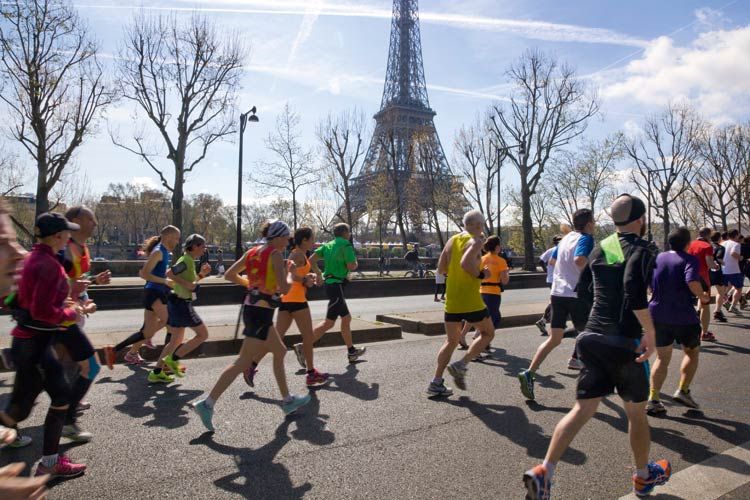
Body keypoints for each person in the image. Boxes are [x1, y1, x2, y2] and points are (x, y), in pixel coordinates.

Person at [523, 194, 670, 499]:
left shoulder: (603, 246)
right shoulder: (643, 248)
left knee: (583, 408)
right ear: (641, 220)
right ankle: (643, 478)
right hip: (623, 342)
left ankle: (544, 472)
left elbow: (585, 288)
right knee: (636, 413)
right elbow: (632, 289)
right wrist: (650, 330)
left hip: (591, 337)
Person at [191, 221, 311, 431]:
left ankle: (287, 400)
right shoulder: (274, 254)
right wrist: (291, 272)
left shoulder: (253, 251)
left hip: (253, 309)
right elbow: (283, 288)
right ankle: (207, 403)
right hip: (261, 312)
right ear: (277, 237)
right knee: (242, 362)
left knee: (280, 350)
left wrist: (253, 286)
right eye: (286, 237)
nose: (288, 241)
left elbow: (229, 274)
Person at [0, 212, 87, 478]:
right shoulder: (48, 264)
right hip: (37, 344)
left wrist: (66, 302)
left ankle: (42, 455)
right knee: (60, 397)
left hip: (27, 341)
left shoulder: (34, 258)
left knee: (20, 407)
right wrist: (73, 312)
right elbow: (43, 311)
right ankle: (50, 463)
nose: (69, 237)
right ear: (58, 236)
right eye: (66, 233)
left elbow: (20, 300)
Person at [518, 209, 595, 401]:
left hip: (557, 293)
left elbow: (552, 260)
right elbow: (579, 260)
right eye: (594, 221)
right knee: (588, 336)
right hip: (575, 294)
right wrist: (590, 268)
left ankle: (529, 372)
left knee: (555, 338)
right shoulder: (586, 239)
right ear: (589, 223)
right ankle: (590, 382)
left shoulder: (566, 239)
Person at [54, 206, 114, 443]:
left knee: (65, 367)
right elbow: (57, 284)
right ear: (76, 221)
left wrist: (92, 286)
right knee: (88, 366)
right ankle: (65, 419)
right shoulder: (63, 249)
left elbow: (76, 283)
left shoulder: (81, 248)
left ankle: (66, 408)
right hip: (60, 318)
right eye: (91, 219)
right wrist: (77, 298)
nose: (95, 224)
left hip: (70, 317)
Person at [245, 227, 330, 388]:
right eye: (312, 239)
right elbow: (287, 274)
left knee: (276, 339)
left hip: (286, 300)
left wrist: (308, 277)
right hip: (296, 300)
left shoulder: (299, 254)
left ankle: (251, 365)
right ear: (304, 240)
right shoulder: (297, 254)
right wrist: (305, 280)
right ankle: (311, 373)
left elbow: (295, 274)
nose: (314, 242)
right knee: (307, 337)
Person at [426, 209, 495, 397]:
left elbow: (441, 268)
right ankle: (461, 365)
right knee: (488, 333)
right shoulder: (476, 240)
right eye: (482, 227)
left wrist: (456, 276)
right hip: (470, 298)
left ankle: (436, 382)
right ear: (478, 226)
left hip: (452, 298)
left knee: (451, 341)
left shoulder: (451, 240)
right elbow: (466, 263)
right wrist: (481, 274)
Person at [646, 227, 707, 416]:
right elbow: (691, 281)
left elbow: (649, 284)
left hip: (657, 313)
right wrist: (703, 296)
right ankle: (683, 389)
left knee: (662, 358)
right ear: (688, 243)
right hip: (683, 316)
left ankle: (654, 398)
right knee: (691, 352)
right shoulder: (689, 259)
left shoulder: (658, 258)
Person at [105, 226, 179, 371]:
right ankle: (165, 364)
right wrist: (164, 281)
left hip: (153, 292)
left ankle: (113, 350)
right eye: (176, 238)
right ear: (169, 237)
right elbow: (143, 274)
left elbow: (156, 272)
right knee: (172, 324)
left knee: (147, 332)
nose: (177, 242)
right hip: (154, 293)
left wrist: (167, 278)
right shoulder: (158, 252)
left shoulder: (163, 252)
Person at [151, 234, 212, 381]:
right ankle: (173, 359)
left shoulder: (189, 260)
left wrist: (201, 275)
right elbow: (170, 274)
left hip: (178, 302)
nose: (204, 250)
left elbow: (190, 282)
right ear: (195, 246)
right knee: (203, 335)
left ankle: (157, 373)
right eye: (203, 247)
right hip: (182, 304)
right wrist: (188, 285)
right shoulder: (185, 260)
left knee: (175, 341)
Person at [308, 223, 366, 364]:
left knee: (346, 319)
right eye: (349, 232)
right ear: (346, 233)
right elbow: (351, 266)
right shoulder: (346, 245)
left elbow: (310, 260)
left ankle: (351, 351)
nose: (350, 235)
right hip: (336, 286)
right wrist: (355, 263)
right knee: (329, 323)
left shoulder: (328, 245)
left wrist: (319, 274)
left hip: (331, 285)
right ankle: (304, 347)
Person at [687, 227, 717, 342]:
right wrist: (716, 266)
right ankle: (704, 333)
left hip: (688, 277)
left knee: (687, 302)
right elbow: (709, 263)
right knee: (705, 304)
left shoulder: (690, 244)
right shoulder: (707, 246)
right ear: (708, 236)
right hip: (702, 278)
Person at [480, 235, 510, 331]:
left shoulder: (482, 259)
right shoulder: (501, 261)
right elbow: (505, 281)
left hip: (481, 291)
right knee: (494, 318)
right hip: (493, 292)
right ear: (497, 247)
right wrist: (507, 272)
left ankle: (482, 337)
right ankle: (484, 339)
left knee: (486, 316)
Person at [535, 235, 563, 335]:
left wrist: (546, 271)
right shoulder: (562, 250)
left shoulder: (550, 251)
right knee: (557, 301)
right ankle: (544, 321)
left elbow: (540, 261)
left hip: (551, 279)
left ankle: (554, 321)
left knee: (555, 301)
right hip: (558, 280)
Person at [720, 229, 743, 315]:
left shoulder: (722, 243)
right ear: (736, 235)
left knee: (725, 288)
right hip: (733, 270)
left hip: (723, 269)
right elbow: (733, 253)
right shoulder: (736, 244)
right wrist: (740, 257)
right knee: (738, 289)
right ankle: (733, 306)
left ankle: (725, 302)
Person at [710, 231, 727, 325]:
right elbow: (719, 257)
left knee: (705, 291)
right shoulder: (720, 247)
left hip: (707, 271)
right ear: (719, 238)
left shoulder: (708, 246)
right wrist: (724, 263)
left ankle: (699, 311)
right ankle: (717, 311)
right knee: (721, 292)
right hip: (717, 271)